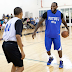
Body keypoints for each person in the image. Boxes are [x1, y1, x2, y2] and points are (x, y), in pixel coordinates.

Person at [32, 2, 69, 69]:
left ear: (57, 7)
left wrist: (68, 29)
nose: (52, 8)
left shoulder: (60, 14)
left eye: (54, 6)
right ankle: (50, 57)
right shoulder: (46, 13)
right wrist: (35, 31)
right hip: (48, 35)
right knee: (47, 49)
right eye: (51, 6)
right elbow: (40, 22)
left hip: (56, 35)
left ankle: (61, 60)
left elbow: (64, 22)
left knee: (59, 49)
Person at [2, 7, 25, 72]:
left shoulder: (9, 21)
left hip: (5, 44)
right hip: (11, 46)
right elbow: (17, 36)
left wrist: (19, 43)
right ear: (21, 13)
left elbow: (10, 34)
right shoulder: (18, 21)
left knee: (15, 64)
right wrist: (22, 51)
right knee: (21, 67)